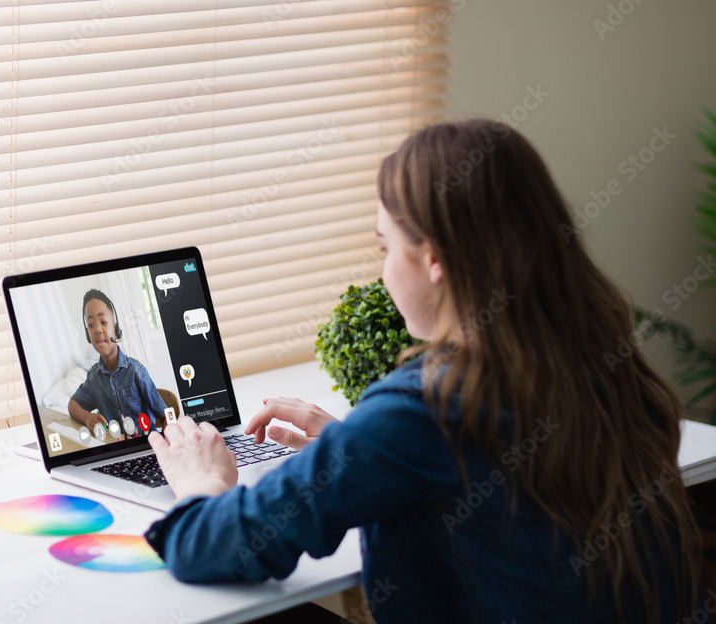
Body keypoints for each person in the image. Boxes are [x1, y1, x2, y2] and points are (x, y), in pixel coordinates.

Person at [144, 119, 702, 623]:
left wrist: (201, 481)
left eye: (386, 246)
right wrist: (355, 447)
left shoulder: (426, 408)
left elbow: (211, 546)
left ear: (433, 259)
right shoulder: (605, 364)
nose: (383, 268)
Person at [68, 288, 168, 439]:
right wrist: (87, 417)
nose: (98, 329)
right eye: (91, 325)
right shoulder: (93, 378)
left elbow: (165, 416)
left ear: (116, 329)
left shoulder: (136, 371)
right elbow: (72, 404)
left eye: (103, 322)